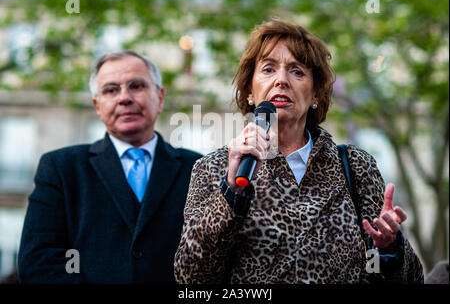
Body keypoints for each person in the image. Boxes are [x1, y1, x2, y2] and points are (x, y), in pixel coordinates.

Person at [174, 19, 424, 283]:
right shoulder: (213, 169)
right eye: (268, 69)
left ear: (315, 94)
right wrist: (231, 192)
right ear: (250, 90)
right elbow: (190, 277)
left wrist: (390, 247)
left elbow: (408, 279)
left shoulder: (355, 166)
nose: (281, 80)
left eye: (297, 72)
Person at [18, 50, 202, 283]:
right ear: (97, 105)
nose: (124, 98)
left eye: (136, 86)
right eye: (111, 90)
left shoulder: (197, 168)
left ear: (160, 97)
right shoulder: (61, 168)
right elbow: (38, 263)